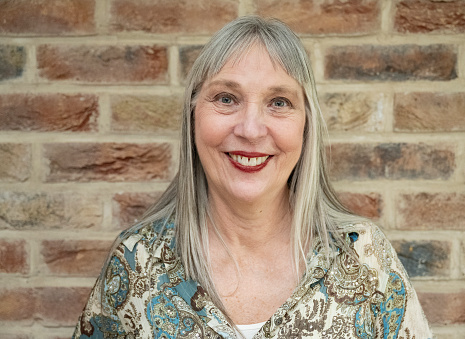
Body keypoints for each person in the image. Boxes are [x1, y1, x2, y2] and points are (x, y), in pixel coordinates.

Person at [72, 16, 433, 339]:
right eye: (227, 98)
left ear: (306, 125)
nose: (250, 129)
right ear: (193, 116)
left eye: (278, 102)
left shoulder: (364, 259)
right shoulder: (136, 263)